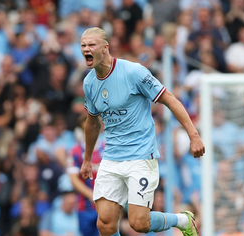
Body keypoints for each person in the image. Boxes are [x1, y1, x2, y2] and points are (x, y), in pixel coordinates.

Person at [80, 27, 204, 236]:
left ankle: (183, 220)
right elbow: (92, 123)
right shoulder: (89, 82)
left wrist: (194, 135)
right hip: (111, 157)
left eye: (91, 45)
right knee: (105, 224)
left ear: (105, 48)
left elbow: (169, 99)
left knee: (139, 223)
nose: (86, 49)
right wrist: (86, 159)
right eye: (83, 45)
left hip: (140, 156)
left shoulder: (133, 72)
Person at [67, 113, 104, 236]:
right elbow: (73, 179)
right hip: (84, 206)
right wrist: (90, 194)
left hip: (105, 203)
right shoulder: (75, 151)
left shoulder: (107, 148)